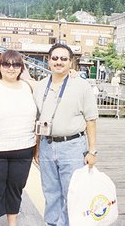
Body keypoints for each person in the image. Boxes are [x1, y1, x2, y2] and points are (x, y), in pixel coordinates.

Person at [33, 43, 99, 226]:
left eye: (64, 59)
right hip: (47, 145)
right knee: (50, 192)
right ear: (48, 61)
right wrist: (37, 148)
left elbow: (91, 120)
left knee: (72, 192)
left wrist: (92, 151)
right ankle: (52, 223)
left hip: (72, 146)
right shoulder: (40, 86)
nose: (59, 62)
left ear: (71, 62)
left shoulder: (81, 85)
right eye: (55, 58)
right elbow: (39, 119)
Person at [0, 50, 37, 226]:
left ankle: (12, 223)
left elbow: (55, 82)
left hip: (24, 147)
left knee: (16, 189)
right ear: (0, 67)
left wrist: (72, 74)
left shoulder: (29, 86)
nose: (11, 68)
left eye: (16, 64)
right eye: (6, 64)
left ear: (22, 68)